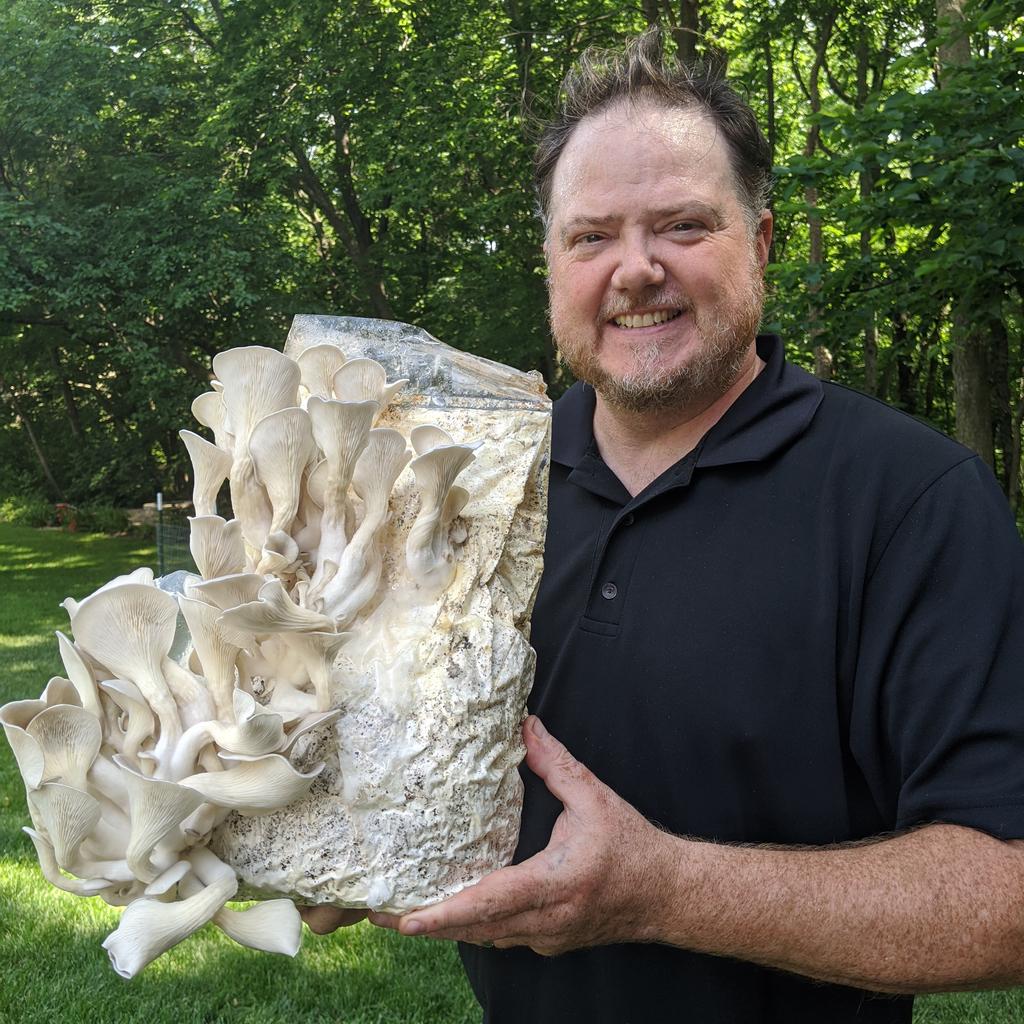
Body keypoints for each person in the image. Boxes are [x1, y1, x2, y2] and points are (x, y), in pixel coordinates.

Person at [303, 31, 1024, 1023]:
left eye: (681, 225)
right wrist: (328, 839)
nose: (634, 270)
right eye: (591, 236)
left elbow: (1007, 895)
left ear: (761, 242)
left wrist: (665, 891)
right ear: (552, 266)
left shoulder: (910, 502)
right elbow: (390, 768)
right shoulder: (464, 491)